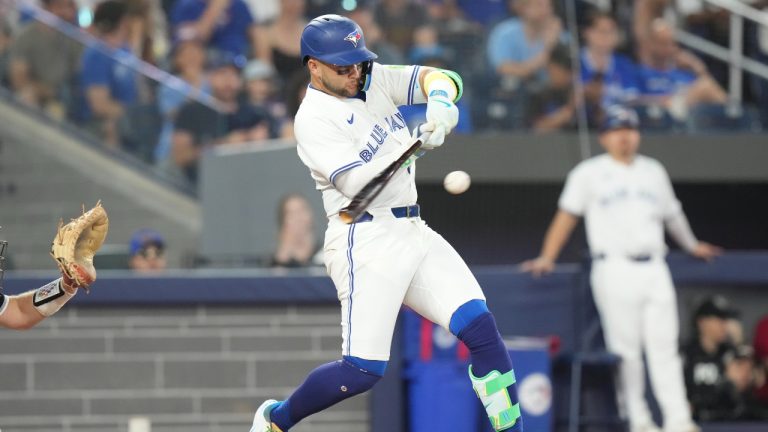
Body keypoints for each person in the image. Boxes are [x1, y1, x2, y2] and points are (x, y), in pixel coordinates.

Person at [250, 14, 523, 432]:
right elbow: (358, 183)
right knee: (362, 371)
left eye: (356, 62)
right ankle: (276, 419)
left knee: (481, 328)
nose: (354, 72)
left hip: (413, 229)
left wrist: (441, 103)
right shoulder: (312, 118)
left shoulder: (370, 78)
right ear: (314, 66)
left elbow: (441, 76)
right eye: (342, 66)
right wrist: (414, 144)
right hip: (365, 237)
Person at [523, 105, 721, 432]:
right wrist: (548, 256)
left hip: (654, 266)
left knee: (665, 348)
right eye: (616, 130)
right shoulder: (588, 173)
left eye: (629, 129)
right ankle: (639, 421)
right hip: (613, 266)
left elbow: (673, 215)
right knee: (626, 351)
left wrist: (692, 245)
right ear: (604, 137)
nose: (624, 136)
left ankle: (678, 420)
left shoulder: (653, 171)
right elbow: (566, 216)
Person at [79, 0, 140, 148]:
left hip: (130, 119)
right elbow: (99, 104)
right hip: (102, 124)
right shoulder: (96, 54)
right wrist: (130, 114)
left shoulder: (125, 49)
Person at [8, 0, 82, 116]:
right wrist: (42, 90)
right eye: (61, 7)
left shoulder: (70, 40)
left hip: (59, 98)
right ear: (47, 8)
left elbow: (76, 76)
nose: (67, 13)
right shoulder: (27, 35)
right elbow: (19, 79)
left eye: (69, 7)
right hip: (31, 96)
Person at [270, 194, 320, 268]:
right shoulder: (275, 262)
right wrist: (283, 257)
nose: (298, 217)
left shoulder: (326, 255)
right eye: (291, 213)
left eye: (302, 210)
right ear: (283, 222)